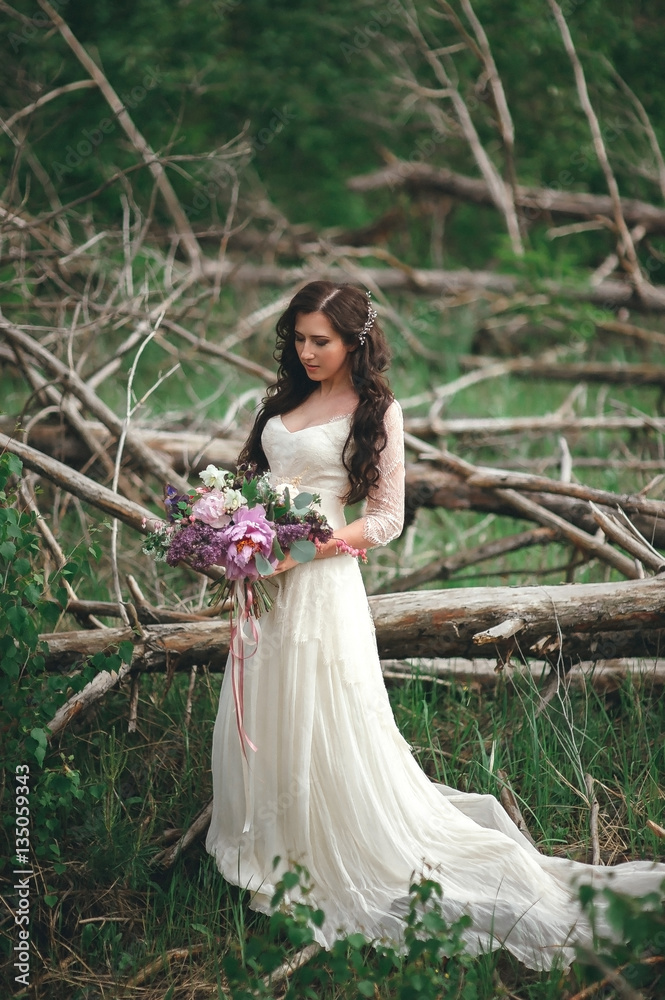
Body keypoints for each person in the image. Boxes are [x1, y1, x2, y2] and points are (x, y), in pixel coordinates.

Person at [205, 280, 664, 971]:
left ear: (354, 342)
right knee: (266, 709)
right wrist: (230, 532)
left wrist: (295, 552)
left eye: (320, 341)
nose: (305, 352)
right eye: (297, 338)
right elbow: (259, 481)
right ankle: (266, 845)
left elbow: (384, 520)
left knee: (319, 716)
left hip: (320, 586)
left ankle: (322, 855)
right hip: (266, 589)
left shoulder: (376, 410)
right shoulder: (282, 399)